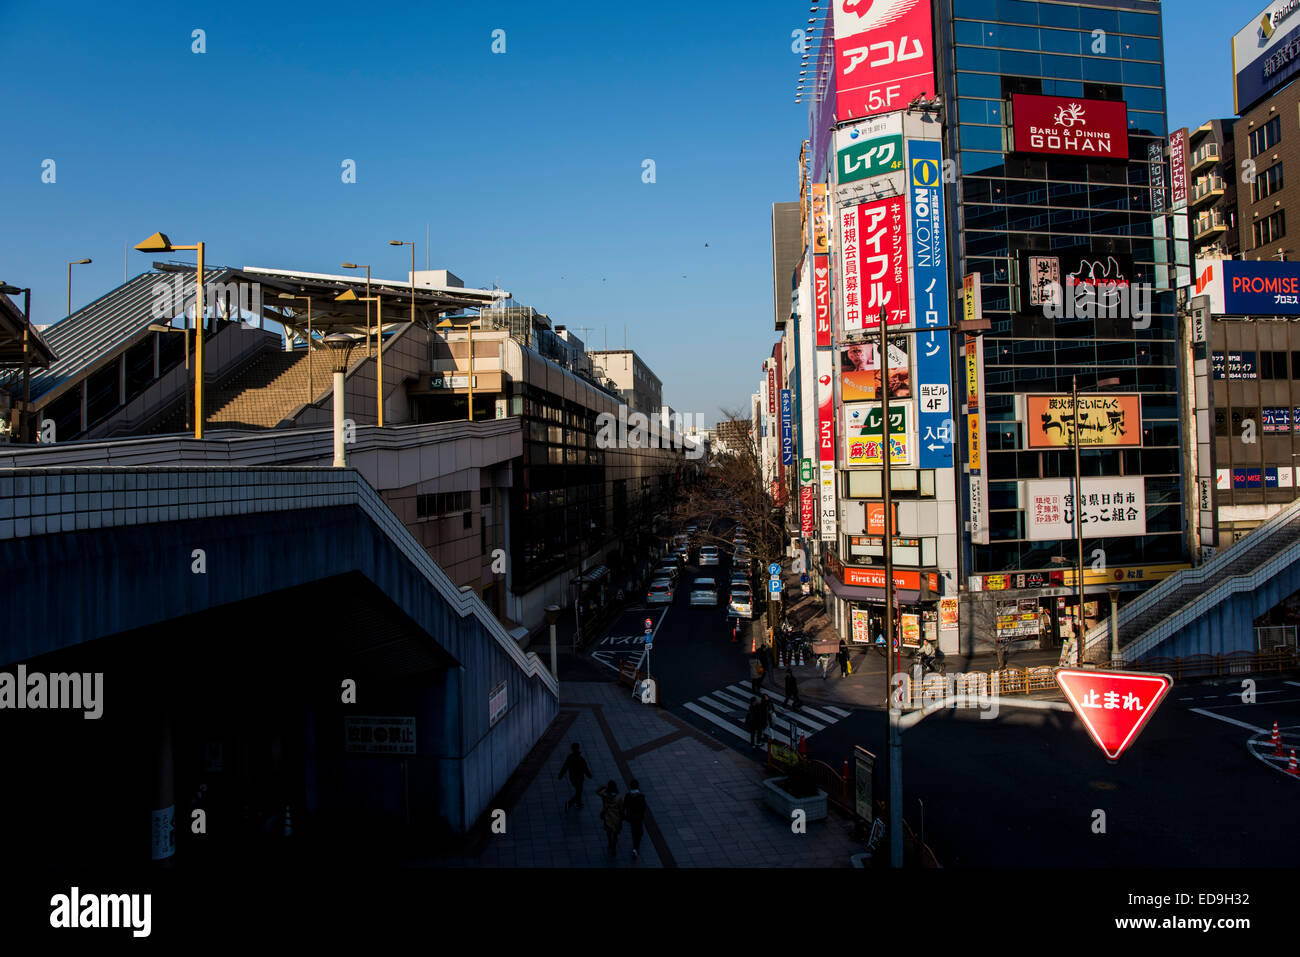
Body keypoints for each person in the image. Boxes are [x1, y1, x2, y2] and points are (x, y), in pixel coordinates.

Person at [558, 742, 592, 811]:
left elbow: (565, 767)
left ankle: (578, 804)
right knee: (579, 792)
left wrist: (560, 775)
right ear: (578, 748)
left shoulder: (570, 757)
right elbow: (585, 768)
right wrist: (589, 775)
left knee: (578, 791)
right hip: (579, 778)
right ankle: (570, 803)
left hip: (572, 778)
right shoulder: (580, 758)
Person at [595, 780, 624, 855]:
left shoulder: (605, 795)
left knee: (608, 831)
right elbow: (621, 808)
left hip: (607, 816)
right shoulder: (619, 797)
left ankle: (609, 843)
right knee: (615, 833)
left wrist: (603, 786)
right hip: (616, 817)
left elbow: (597, 791)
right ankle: (614, 848)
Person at [623, 780, 647, 859]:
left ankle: (635, 846)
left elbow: (625, 805)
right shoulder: (641, 796)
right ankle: (635, 848)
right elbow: (643, 807)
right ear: (637, 786)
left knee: (634, 830)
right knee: (638, 832)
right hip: (639, 817)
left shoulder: (627, 795)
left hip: (631, 817)